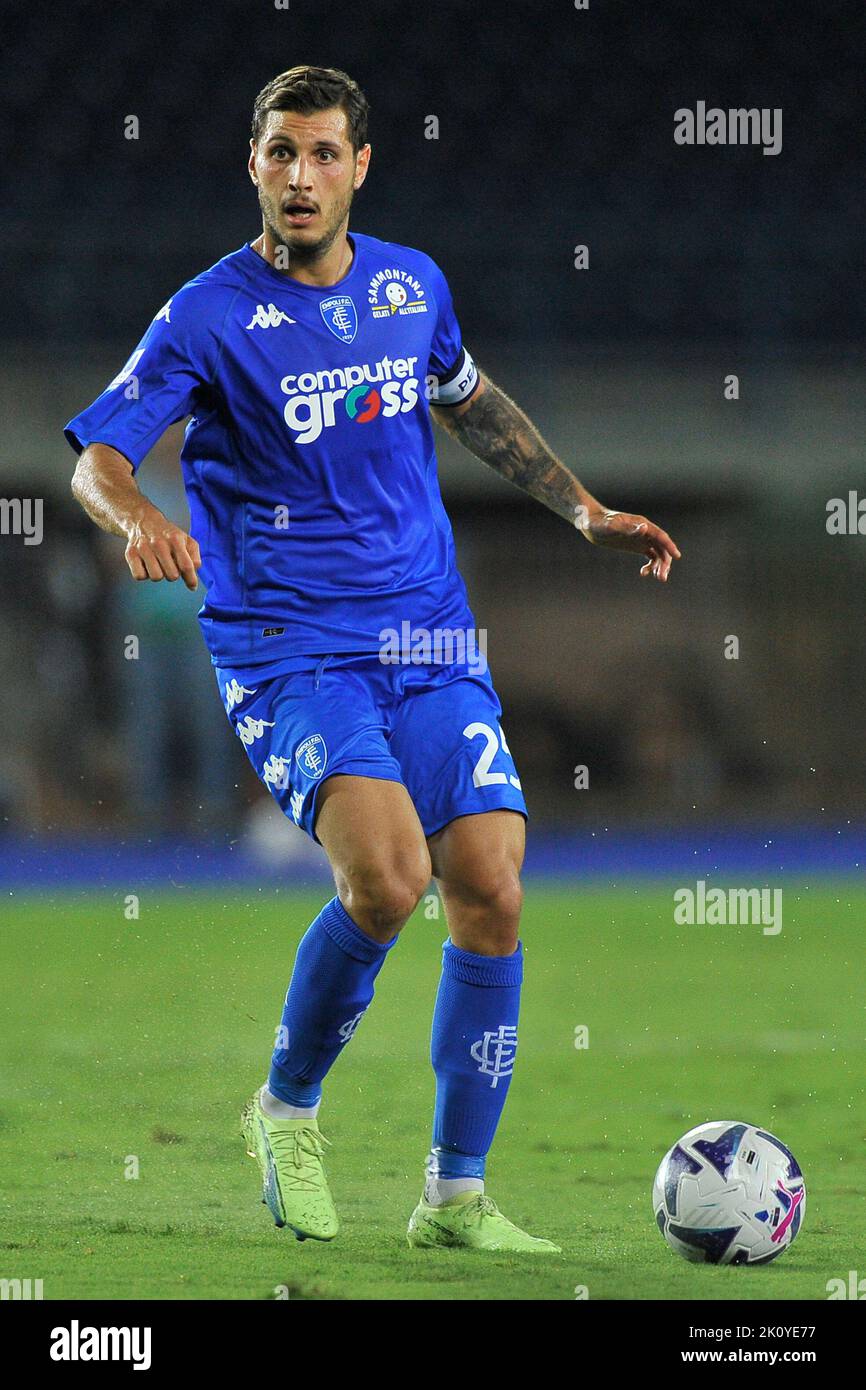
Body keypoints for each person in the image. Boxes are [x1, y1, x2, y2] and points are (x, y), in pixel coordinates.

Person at [66, 65, 680, 1253]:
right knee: (391, 878)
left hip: (429, 634)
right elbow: (99, 449)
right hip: (291, 650)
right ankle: (285, 1111)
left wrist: (582, 510)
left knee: (491, 880)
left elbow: (468, 398)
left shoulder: (412, 286)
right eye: (281, 153)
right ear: (253, 163)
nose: (301, 177)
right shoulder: (204, 315)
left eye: (324, 154)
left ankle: (453, 1196)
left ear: (359, 167)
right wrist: (135, 515)